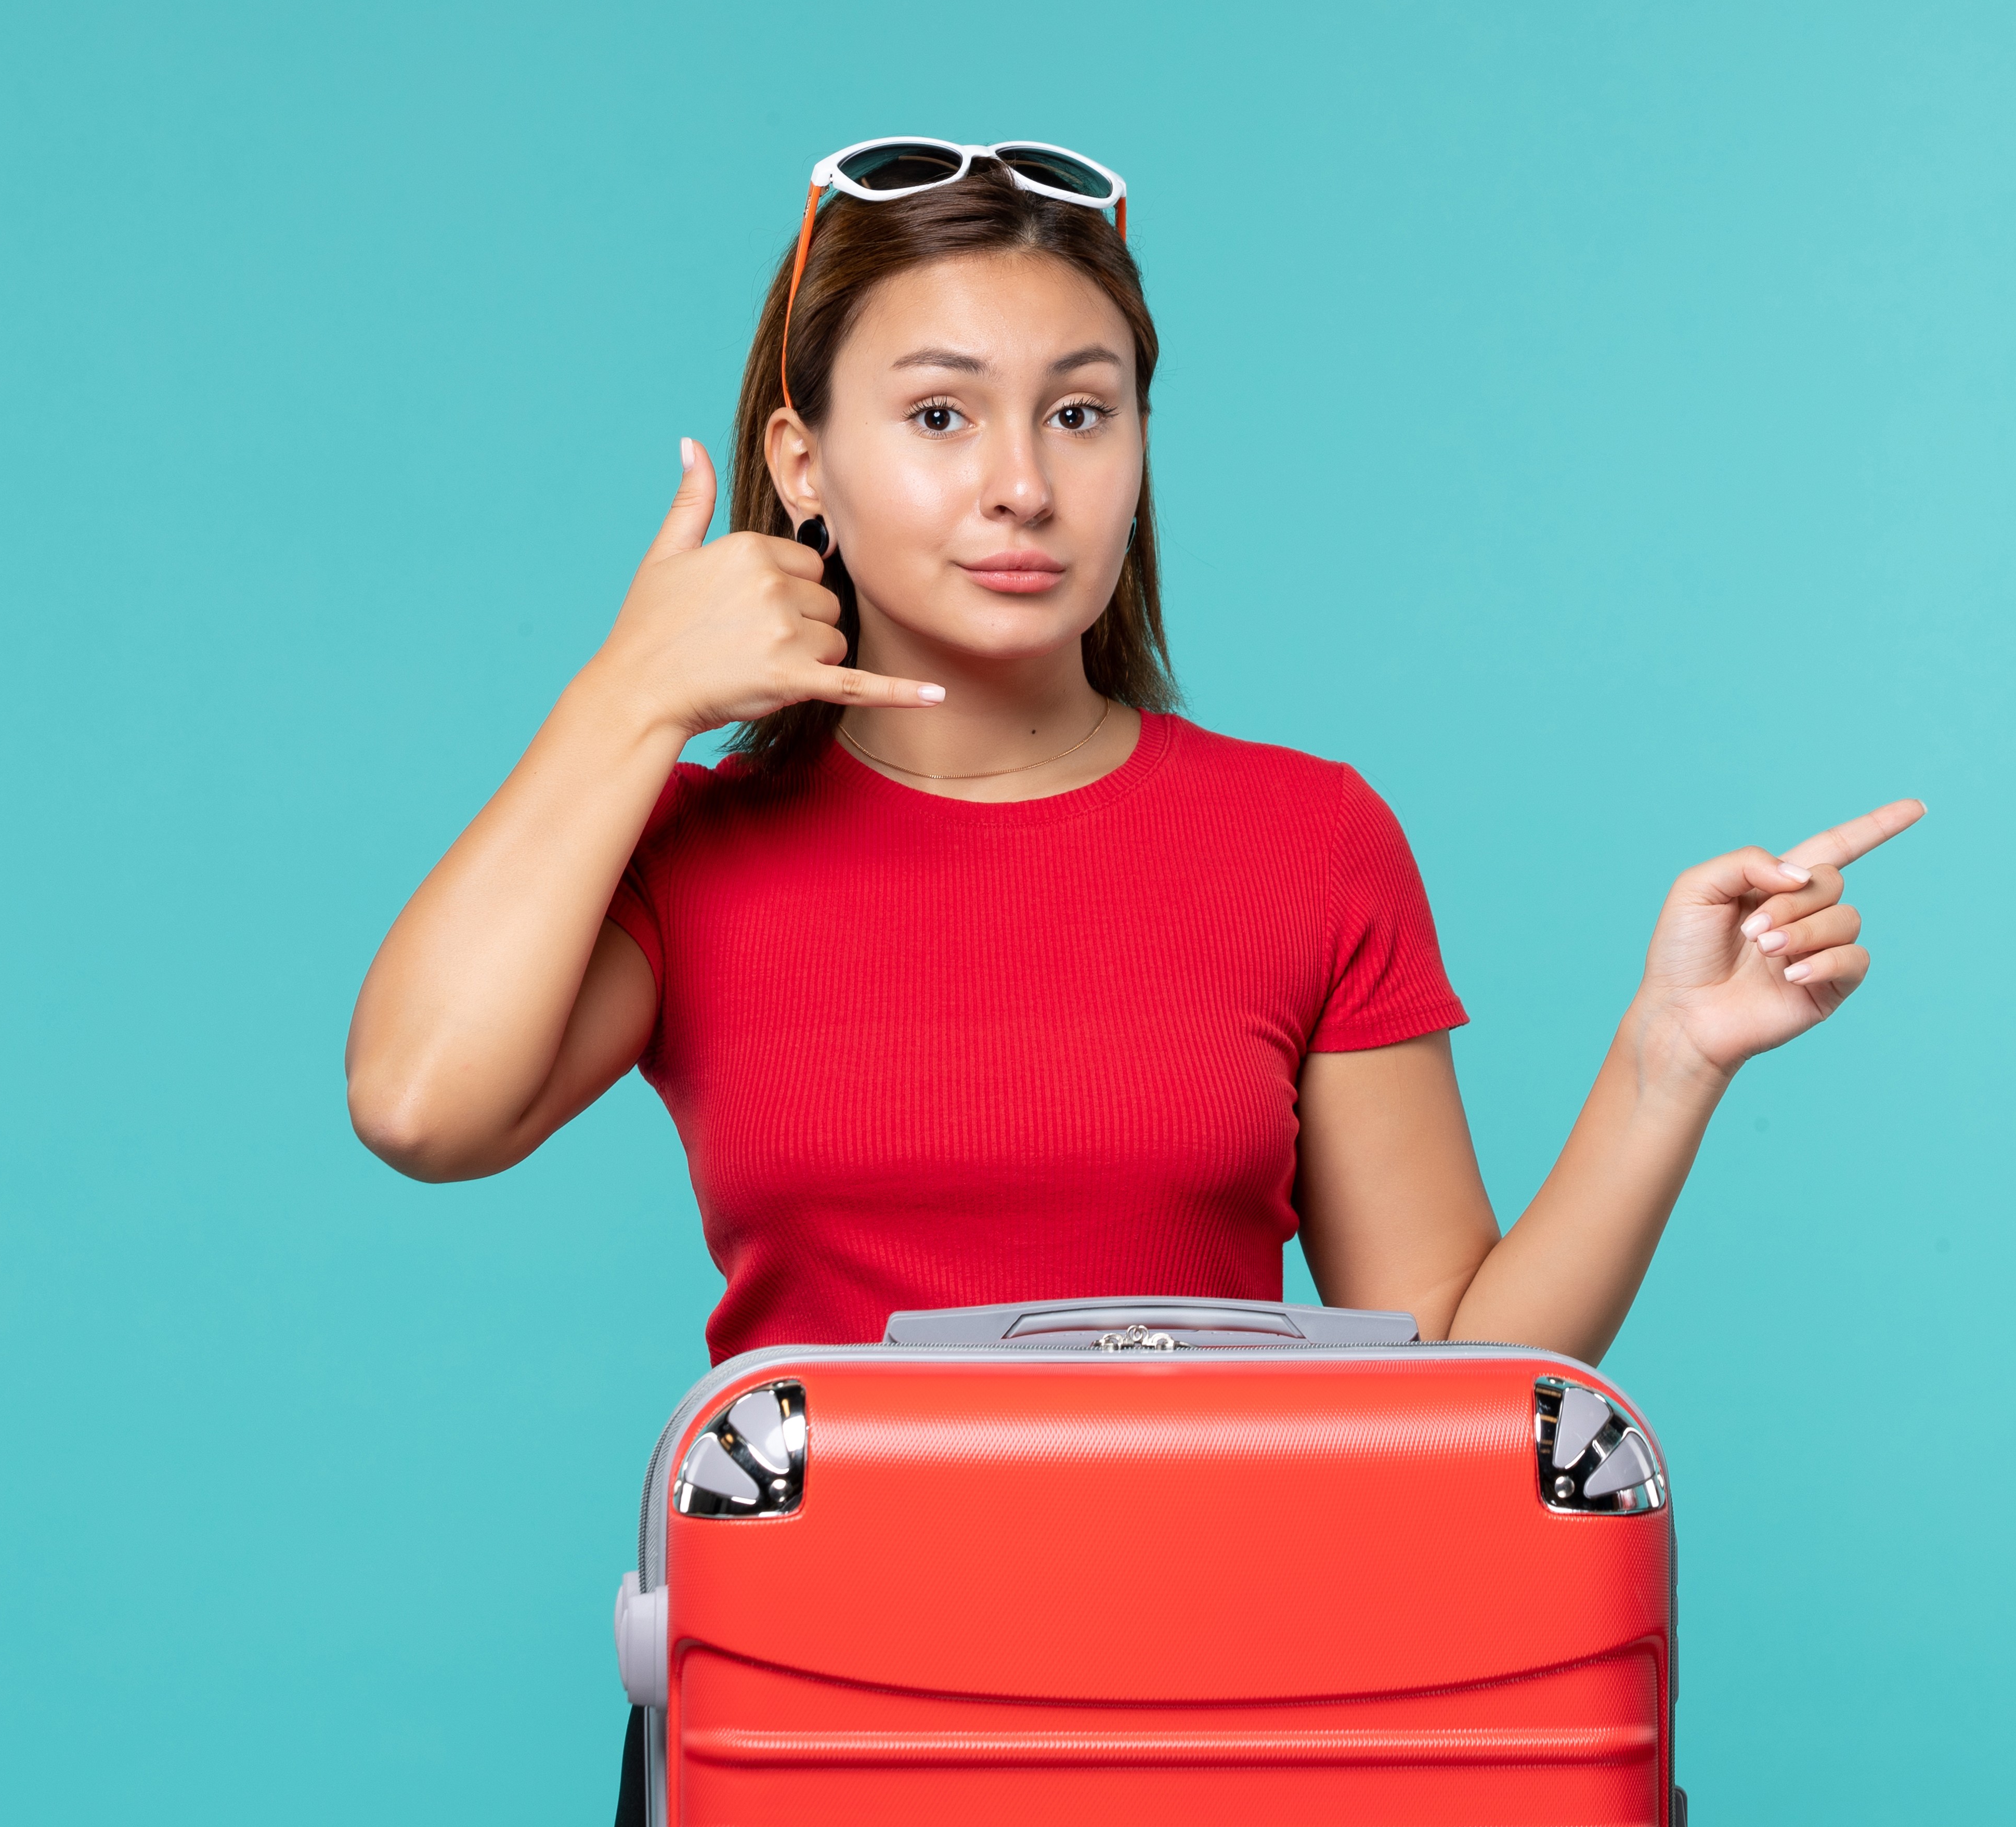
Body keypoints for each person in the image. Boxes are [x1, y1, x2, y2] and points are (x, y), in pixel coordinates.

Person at [346, 133, 1921, 1389]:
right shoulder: (695, 855)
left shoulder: (1307, 837)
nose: (1024, 485)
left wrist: (1671, 1060)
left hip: (1214, 1683)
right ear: (801, 464)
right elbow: (422, 1109)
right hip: (821, 1691)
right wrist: (623, 699)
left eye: (1082, 414)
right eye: (943, 416)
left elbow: (1454, 1376)